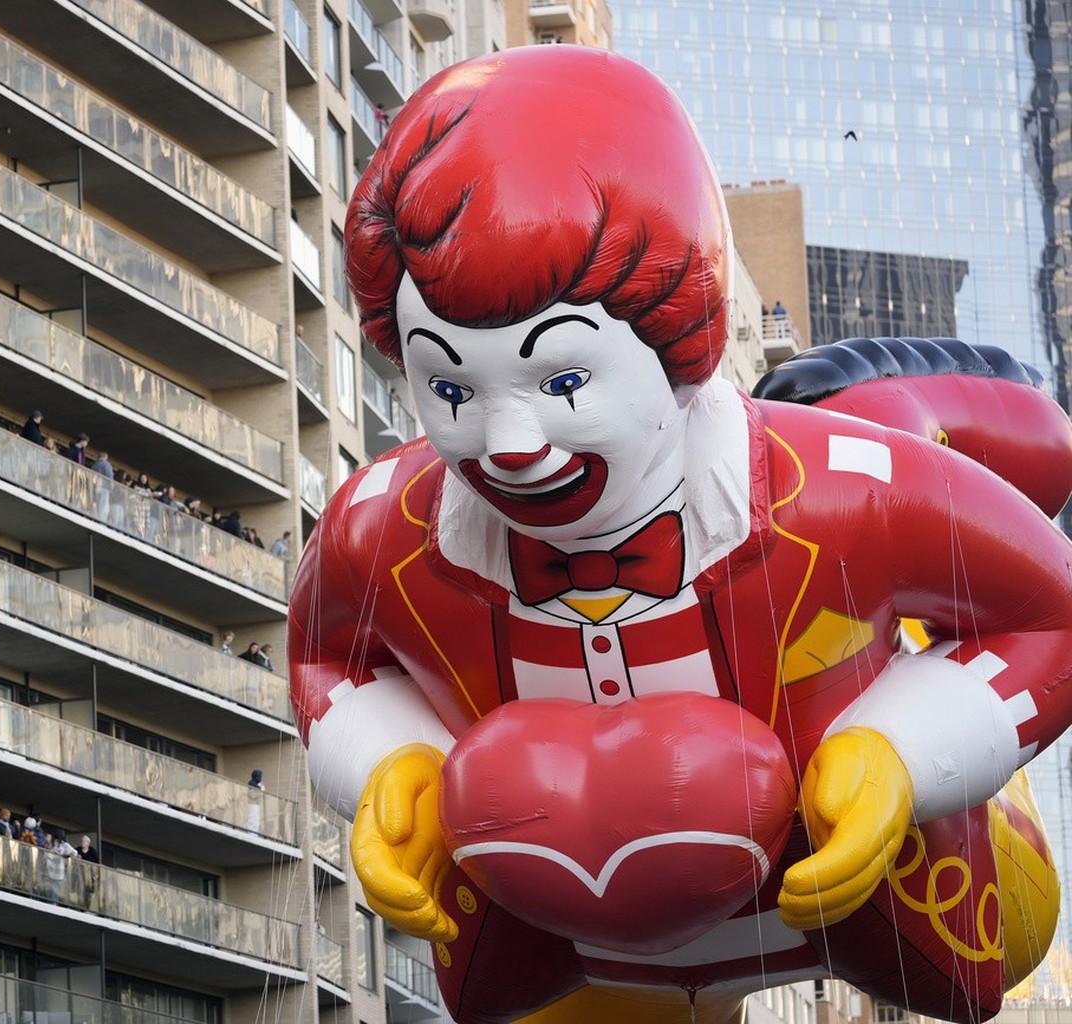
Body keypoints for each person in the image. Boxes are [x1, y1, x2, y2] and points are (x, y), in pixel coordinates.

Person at [292, 46, 1072, 1023]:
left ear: (677, 328)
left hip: (870, 886)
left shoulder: (838, 494)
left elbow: (1053, 613)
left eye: (562, 381)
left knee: (1020, 918)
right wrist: (391, 767)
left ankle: (879, 402)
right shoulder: (385, 528)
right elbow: (326, 659)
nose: (510, 443)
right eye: (451, 389)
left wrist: (903, 752)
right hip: (571, 938)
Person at [44, 829, 77, 903]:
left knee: (54, 893)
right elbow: (47, 853)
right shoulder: (54, 844)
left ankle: (53, 905)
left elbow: (75, 853)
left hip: (56, 872)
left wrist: (64, 854)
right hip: (53, 872)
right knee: (51, 892)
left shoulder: (64, 845)